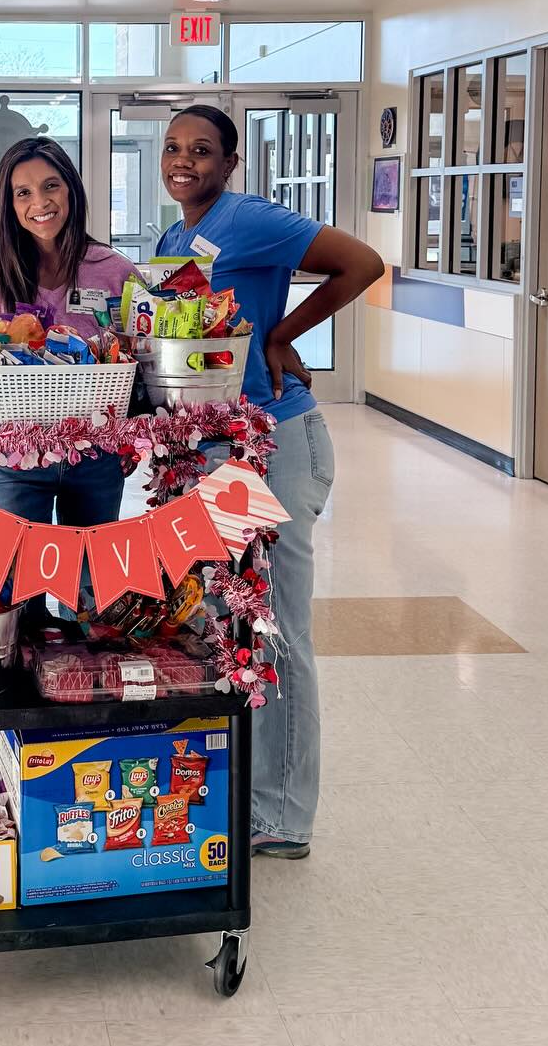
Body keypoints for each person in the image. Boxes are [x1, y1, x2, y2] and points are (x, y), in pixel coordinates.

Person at [157, 104, 383, 859]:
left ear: (229, 163)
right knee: (227, 625)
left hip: (276, 443)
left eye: (201, 150)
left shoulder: (249, 218)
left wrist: (284, 333)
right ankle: (248, 788)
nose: (183, 160)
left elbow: (362, 263)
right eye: (173, 147)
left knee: (276, 631)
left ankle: (284, 816)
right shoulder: (174, 239)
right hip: (217, 451)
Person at [0, 136, 139, 540]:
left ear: (71, 189)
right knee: (18, 575)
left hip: (96, 456)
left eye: (51, 185)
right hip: (12, 459)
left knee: (92, 575)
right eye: (23, 192)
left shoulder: (115, 270)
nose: (40, 202)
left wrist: (131, 442)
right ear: (8, 204)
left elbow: (140, 362)